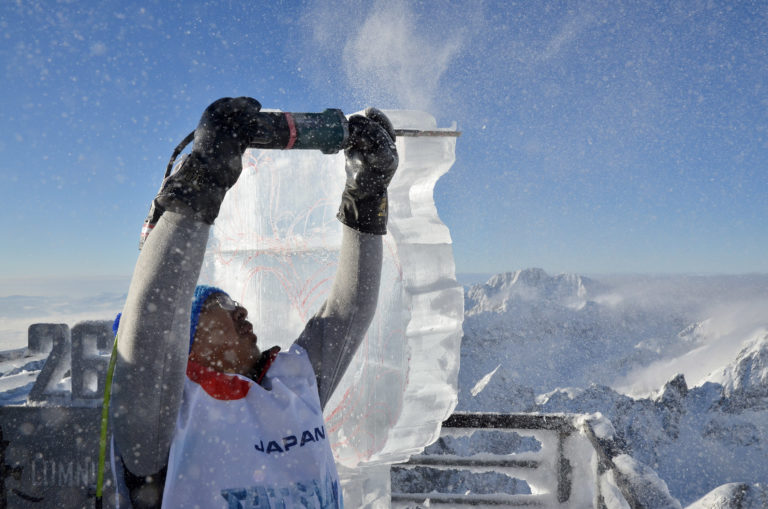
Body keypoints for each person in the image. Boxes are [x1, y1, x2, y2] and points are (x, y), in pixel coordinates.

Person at [109, 97, 398, 508]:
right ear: (183, 341)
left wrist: (367, 194)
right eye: (222, 305)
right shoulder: (163, 420)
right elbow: (154, 316)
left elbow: (347, 312)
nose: (242, 310)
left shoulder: (293, 386)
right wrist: (204, 175)